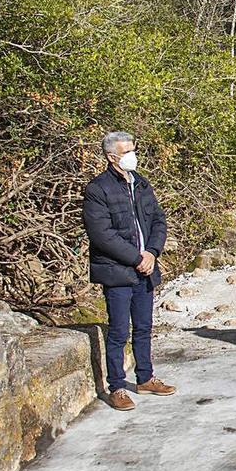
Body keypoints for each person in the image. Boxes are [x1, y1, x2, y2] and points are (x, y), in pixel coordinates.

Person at [82, 131, 176, 411]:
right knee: (119, 331)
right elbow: (102, 235)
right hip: (118, 271)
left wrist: (152, 253)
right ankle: (118, 387)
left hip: (145, 269)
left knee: (144, 328)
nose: (132, 155)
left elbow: (158, 219)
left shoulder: (141, 184)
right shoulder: (98, 189)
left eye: (133, 149)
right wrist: (136, 257)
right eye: (127, 151)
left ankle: (145, 378)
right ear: (112, 157)